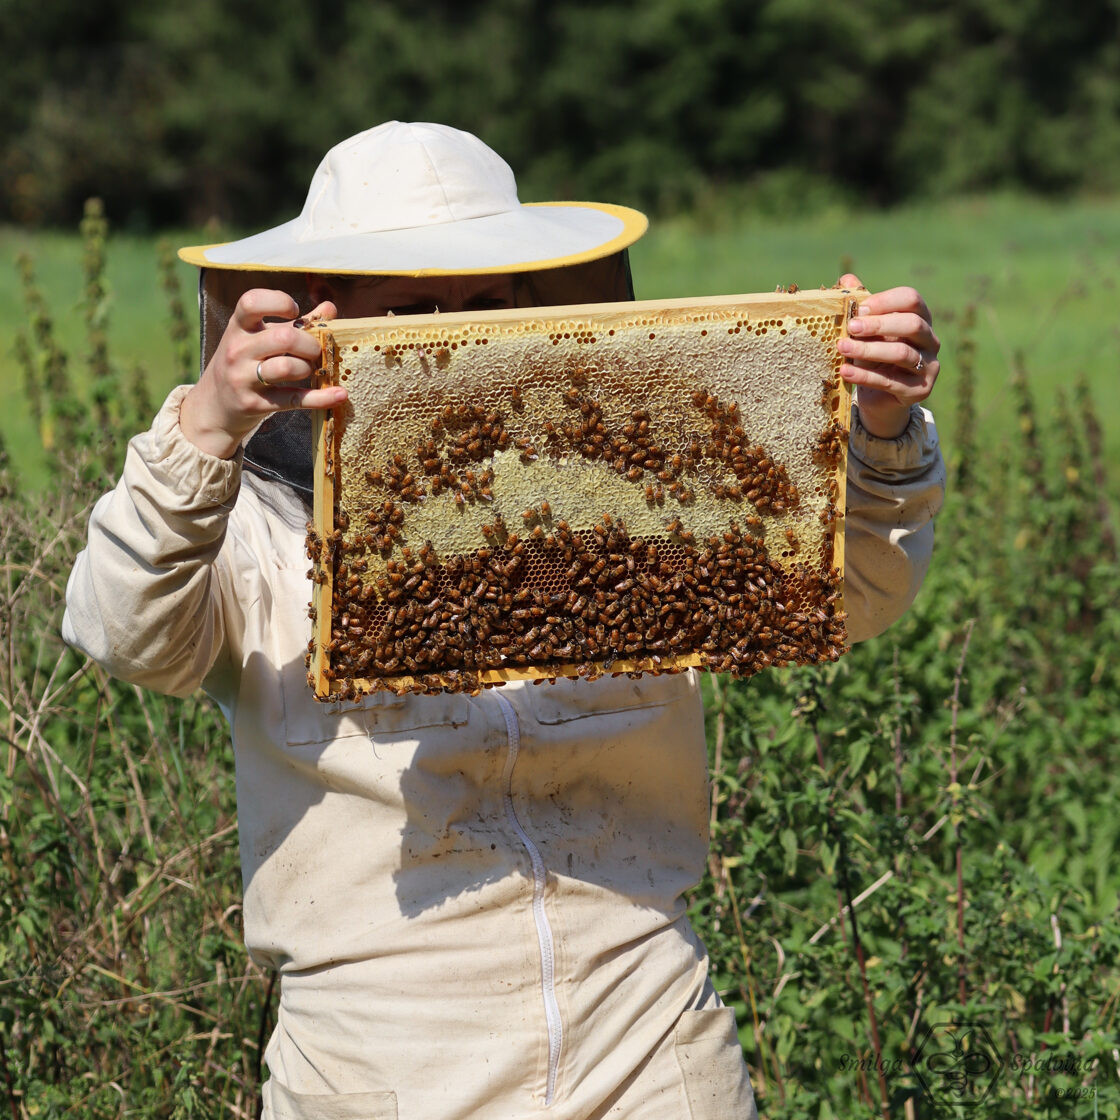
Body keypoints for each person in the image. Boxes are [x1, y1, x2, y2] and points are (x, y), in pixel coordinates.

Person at [63, 121, 945, 1120]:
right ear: (324, 313)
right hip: (377, 1067)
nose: (452, 335)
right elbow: (124, 629)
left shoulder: (627, 488)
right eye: (412, 308)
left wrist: (874, 425)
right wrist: (203, 431)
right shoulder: (248, 523)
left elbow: (851, 591)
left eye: (482, 303)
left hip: (647, 1040)